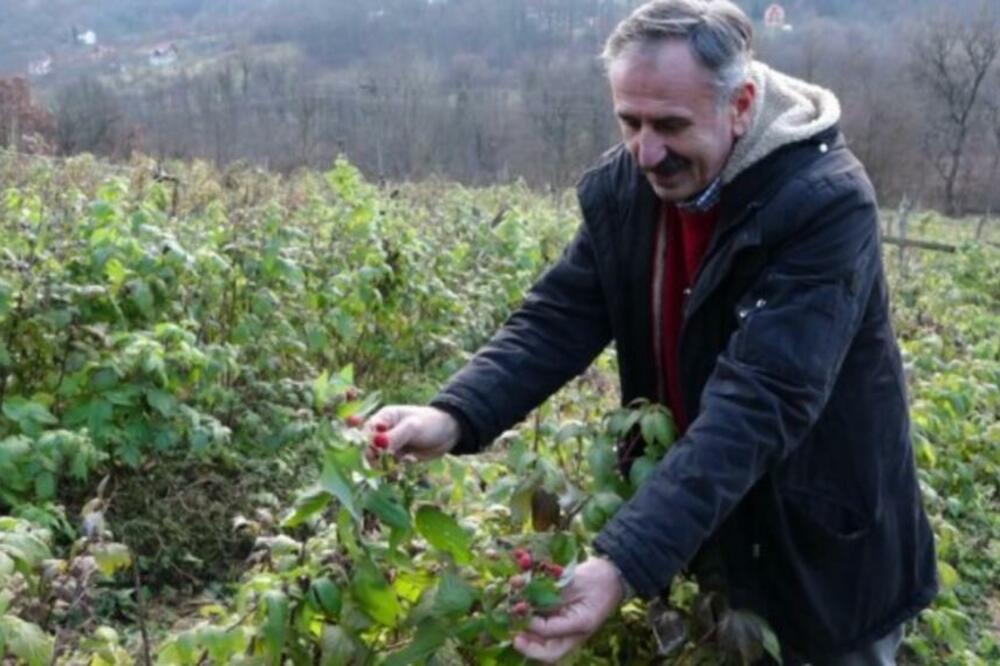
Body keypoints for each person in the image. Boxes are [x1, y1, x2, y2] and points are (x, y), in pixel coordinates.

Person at [364, 1, 938, 663]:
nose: (646, 151)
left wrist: (623, 562)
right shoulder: (631, 188)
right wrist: (454, 414)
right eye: (628, 122)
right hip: (703, 516)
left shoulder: (823, 204)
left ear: (742, 102)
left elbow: (760, 403)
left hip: (815, 543)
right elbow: (558, 316)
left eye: (669, 124)